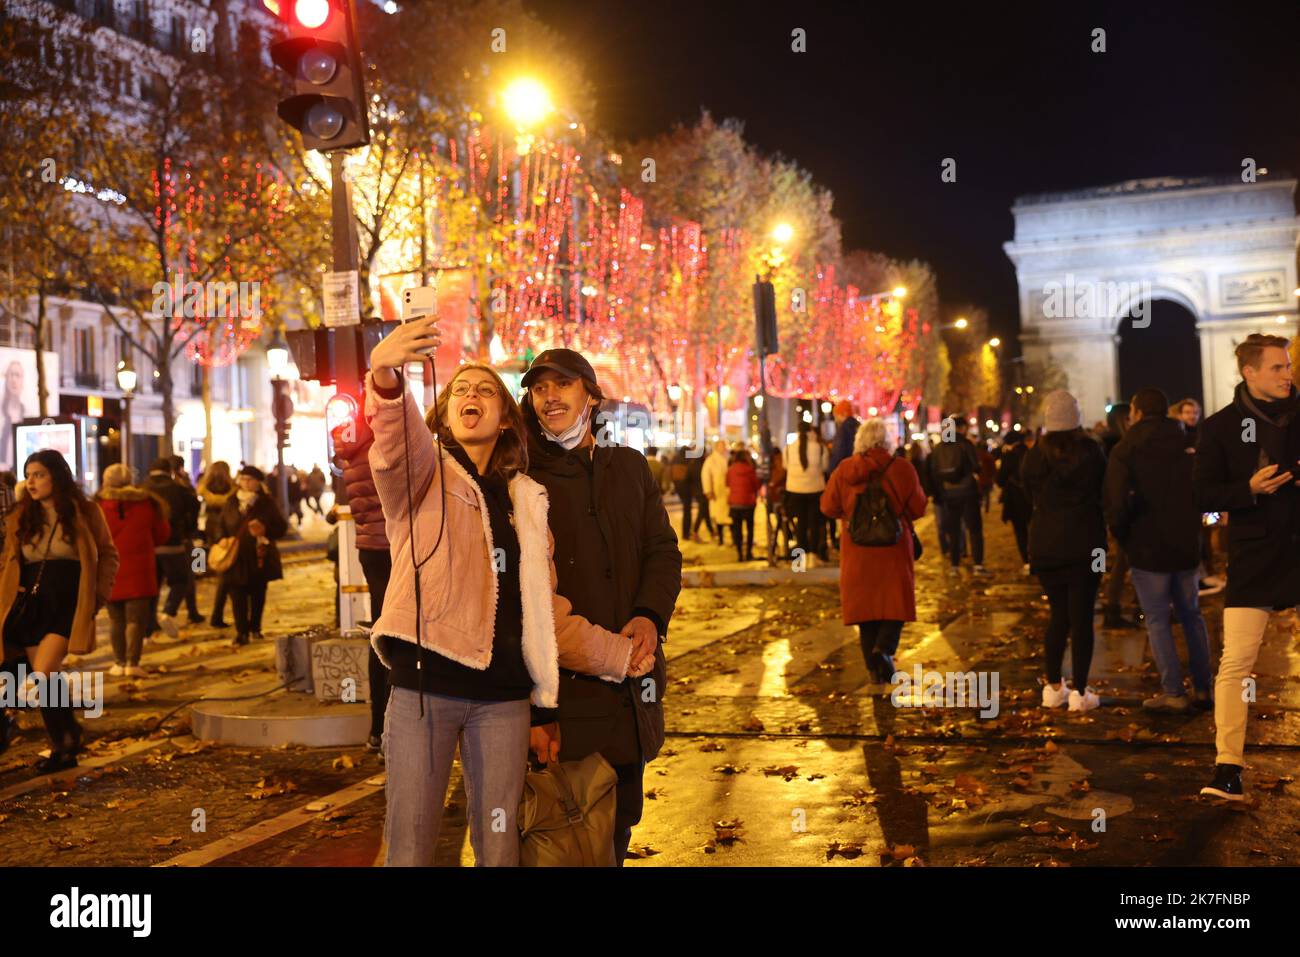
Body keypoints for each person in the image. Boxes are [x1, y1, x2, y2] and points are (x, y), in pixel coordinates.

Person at [365, 325, 639, 867]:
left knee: (501, 850)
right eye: (462, 390)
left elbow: (543, 611)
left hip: (505, 701)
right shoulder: (424, 476)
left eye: (487, 391)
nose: (472, 397)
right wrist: (385, 376)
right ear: (443, 416)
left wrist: (618, 656)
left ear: (508, 419)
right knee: (411, 847)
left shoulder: (527, 499)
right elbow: (395, 448)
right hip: (427, 686)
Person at [520, 347, 681, 865]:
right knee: (571, 834)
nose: (550, 398)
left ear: (590, 395)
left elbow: (662, 550)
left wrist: (649, 616)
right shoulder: (523, 482)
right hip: (568, 694)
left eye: (562, 385)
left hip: (635, 690)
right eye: (540, 389)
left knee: (621, 825)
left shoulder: (629, 467)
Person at [1193, 334, 1300, 801]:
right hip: (1254, 556)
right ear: (1248, 372)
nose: (1287, 374)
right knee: (1235, 664)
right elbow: (1201, 497)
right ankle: (1227, 769)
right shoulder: (1219, 427)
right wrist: (1247, 489)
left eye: (1289, 365)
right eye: (1276, 367)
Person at [0, 450, 119, 772]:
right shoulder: (22, 515)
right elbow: (11, 561)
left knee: (44, 670)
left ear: (57, 475)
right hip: (32, 603)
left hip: (69, 601)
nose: (31, 481)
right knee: (46, 678)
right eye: (28, 474)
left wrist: (98, 596)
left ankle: (66, 741)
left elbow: (108, 554)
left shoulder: (84, 511)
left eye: (38, 474)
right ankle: (65, 742)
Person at [1103, 387, 1212, 712]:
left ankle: (1174, 692)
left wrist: (1124, 538)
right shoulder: (1188, 444)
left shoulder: (1125, 449)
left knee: (1157, 619)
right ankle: (1204, 689)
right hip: (1185, 544)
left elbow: (1116, 504)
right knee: (1192, 616)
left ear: (1135, 412)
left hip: (1146, 547)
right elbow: (1206, 493)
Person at [822, 418, 927, 684]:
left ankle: (874, 669)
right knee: (895, 603)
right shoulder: (902, 469)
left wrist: (850, 513)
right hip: (893, 548)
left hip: (857, 550)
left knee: (865, 609)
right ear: (887, 442)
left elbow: (827, 506)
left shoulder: (845, 469)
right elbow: (918, 508)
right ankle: (885, 649)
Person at [1022, 390, 1107, 713]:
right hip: (1086, 545)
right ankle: (1081, 692)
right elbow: (1104, 494)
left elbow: (1027, 493)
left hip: (1044, 546)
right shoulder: (1092, 452)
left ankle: (1054, 686)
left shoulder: (1034, 456)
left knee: (1058, 616)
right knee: (1082, 617)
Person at [331, 407, 392, 754]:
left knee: (380, 631)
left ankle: (377, 727)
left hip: (371, 548)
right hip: (393, 546)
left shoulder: (351, 451)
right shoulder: (379, 448)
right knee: (397, 634)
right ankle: (389, 726)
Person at [95, 464, 170, 677]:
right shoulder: (148, 503)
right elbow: (162, 534)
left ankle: (119, 662)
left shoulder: (98, 505)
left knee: (116, 619)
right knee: (136, 620)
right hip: (141, 570)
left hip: (110, 571)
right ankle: (132, 663)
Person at [217, 466, 288, 647]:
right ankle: (242, 632)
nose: (246, 483)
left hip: (258, 556)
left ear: (258, 482)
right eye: (243, 479)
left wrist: (265, 530)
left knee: (257, 593)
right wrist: (221, 539)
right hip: (236, 556)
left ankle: (255, 627)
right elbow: (220, 525)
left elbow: (281, 528)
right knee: (236, 594)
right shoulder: (231, 501)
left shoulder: (266, 502)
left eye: (250, 479)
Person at [145, 457, 201, 636]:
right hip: (174, 542)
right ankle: (169, 611)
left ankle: (149, 624)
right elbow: (195, 505)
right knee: (181, 580)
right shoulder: (179, 489)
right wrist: (189, 528)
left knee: (152, 585)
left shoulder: (141, 489)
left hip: (150, 545)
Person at [928, 417, 985, 573]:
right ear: (959, 428)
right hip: (968, 492)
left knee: (954, 530)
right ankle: (978, 563)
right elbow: (976, 466)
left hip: (949, 493)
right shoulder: (965, 444)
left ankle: (954, 564)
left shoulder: (938, 448)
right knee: (974, 529)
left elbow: (933, 471)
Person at [197, 460, 235, 628]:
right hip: (227, 530)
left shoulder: (206, 487)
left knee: (206, 553)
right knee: (227, 573)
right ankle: (219, 615)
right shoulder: (232, 488)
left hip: (210, 527)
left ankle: (199, 569)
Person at [784, 419, 829, 561]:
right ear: (810, 432)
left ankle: (800, 554)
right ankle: (813, 554)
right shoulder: (820, 447)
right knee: (814, 522)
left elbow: (786, 467)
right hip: (815, 489)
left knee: (801, 522)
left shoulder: (788, 448)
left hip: (795, 490)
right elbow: (824, 468)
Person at [996, 431, 1032, 574]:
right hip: (1031, 498)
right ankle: (1037, 559)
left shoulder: (1009, 456)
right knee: (1033, 530)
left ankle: (1027, 562)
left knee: (1020, 531)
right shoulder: (1032, 453)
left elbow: (1000, 480)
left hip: (1015, 499)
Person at [726, 446, 761, 562]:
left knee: (737, 529)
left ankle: (740, 554)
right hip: (748, 503)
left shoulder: (730, 470)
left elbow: (727, 483)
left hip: (735, 503)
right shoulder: (750, 469)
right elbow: (756, 485)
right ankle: (748, 553)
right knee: (750, 529)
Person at [701, 439, 733, 546]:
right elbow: (706, 476)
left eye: (724, 446)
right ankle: (721, 538)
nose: (723, 448)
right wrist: (708, 490)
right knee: (719, 517)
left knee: (729, 516)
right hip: (717, 492)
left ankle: (732, 537)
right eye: (721, 446)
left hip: (727, 492)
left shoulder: (727, 458)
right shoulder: (711, 460)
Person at [828, 400, 860, 475]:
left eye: (836, 416)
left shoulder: (843, 429)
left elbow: (838, 452)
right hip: (858, 467)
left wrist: (831, 471)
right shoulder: (858, 425)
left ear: (842, 414)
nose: (835, 419)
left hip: (845, 470)